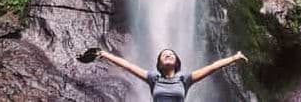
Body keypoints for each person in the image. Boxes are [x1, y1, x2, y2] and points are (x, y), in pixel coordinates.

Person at [77, 47, 248, 101]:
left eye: (172, 54)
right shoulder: (153, 78)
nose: (169, 54)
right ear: (159, 63)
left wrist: (234, 57)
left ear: (177, 62)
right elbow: (128, 66)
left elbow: (212, 67)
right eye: (165, 54)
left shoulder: (185, 79)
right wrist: (104, 54)